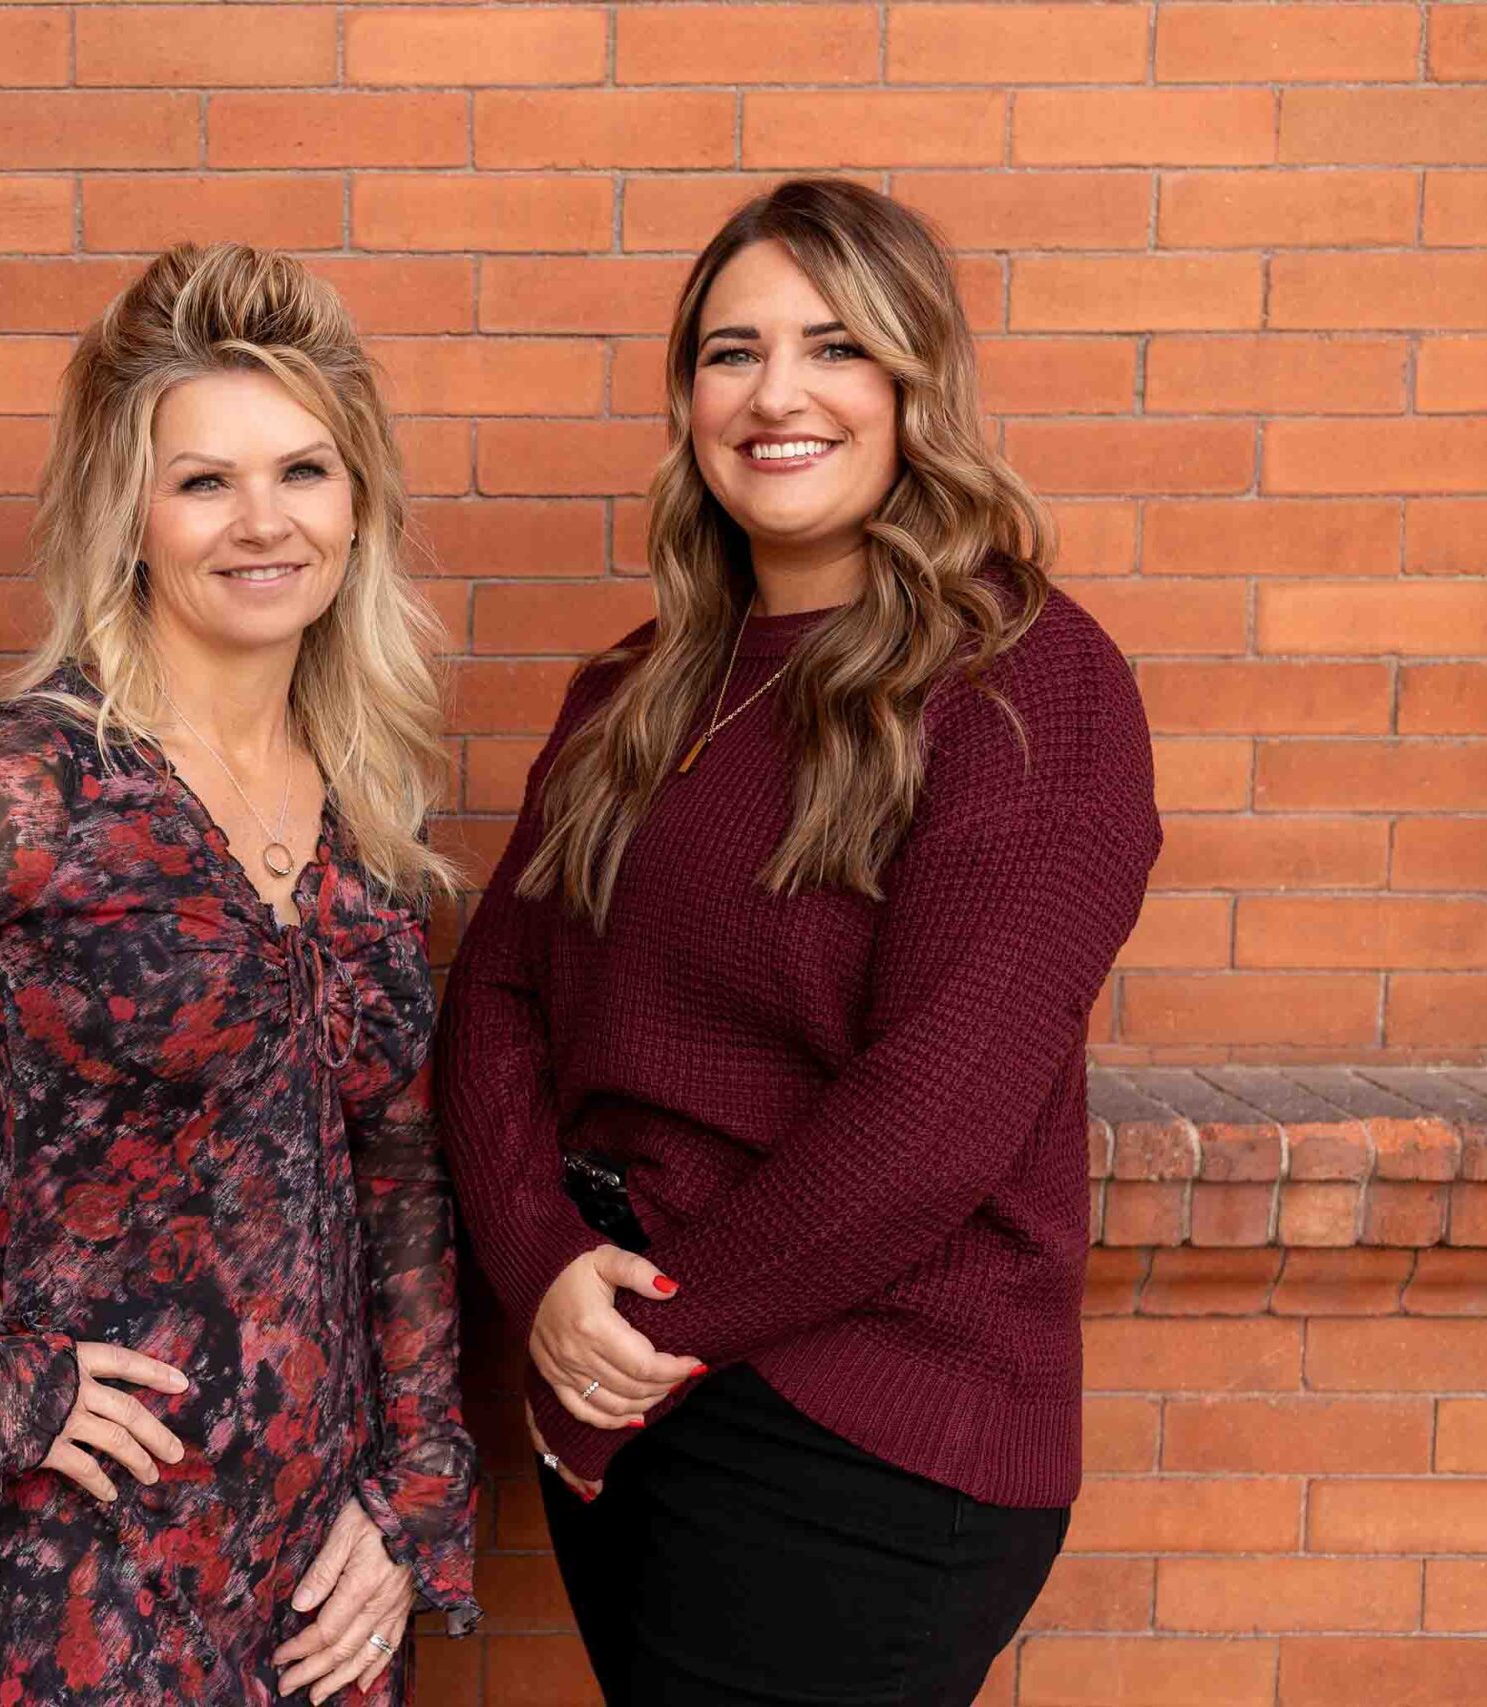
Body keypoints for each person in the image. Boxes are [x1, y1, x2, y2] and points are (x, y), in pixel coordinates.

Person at [0, 242, 479, 1707]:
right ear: (131, 518)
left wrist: (411, 1488)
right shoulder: (38, 781)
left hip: (316, 1562)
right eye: (204, 481)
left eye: (304, 472)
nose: (263, 521)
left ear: (357, 503)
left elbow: (400, 1168)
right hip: (80, 1549)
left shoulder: (368, 804)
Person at [436, 178, 1163, 1706]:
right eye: (731, 353)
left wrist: (649, 1330)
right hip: (633, 1382)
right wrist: (546, 1265)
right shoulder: (639, 689)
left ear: (915, 385)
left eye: (836, 348)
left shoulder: (1028, 685)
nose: (776, 396)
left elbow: (937, 1112)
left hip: (859, 1427)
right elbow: (497, 993)